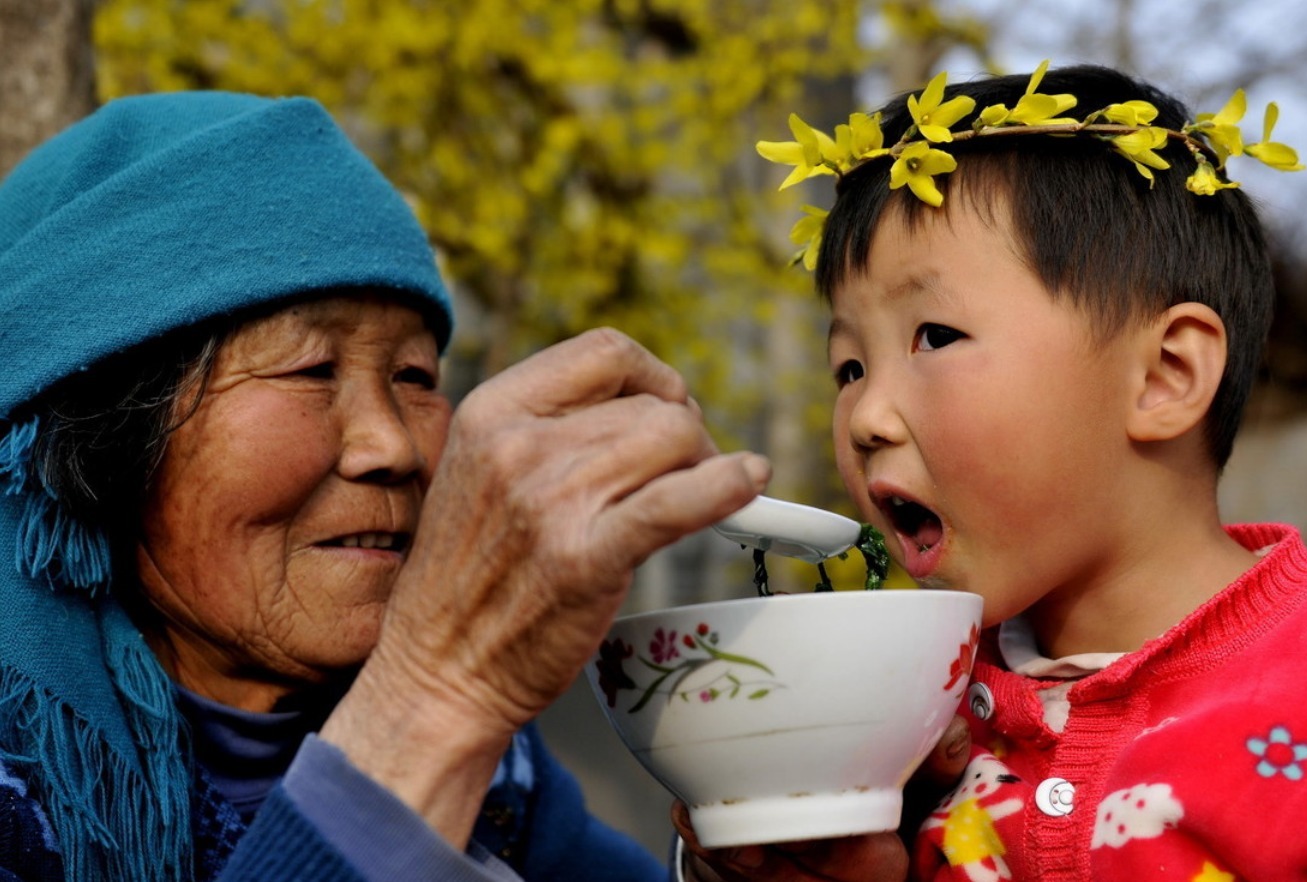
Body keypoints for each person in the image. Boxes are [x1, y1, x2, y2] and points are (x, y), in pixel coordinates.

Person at [0, 90, 778, 881]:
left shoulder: (504, 778)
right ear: (100, 435)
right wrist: (434, 702)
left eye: (414, 375)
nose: (392, 445)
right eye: (311, 369)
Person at [677, 62, 1307, 880]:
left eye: (934, 336)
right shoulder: (893, 716)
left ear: (1164, 375)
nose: (866, 418)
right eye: (848, 367)